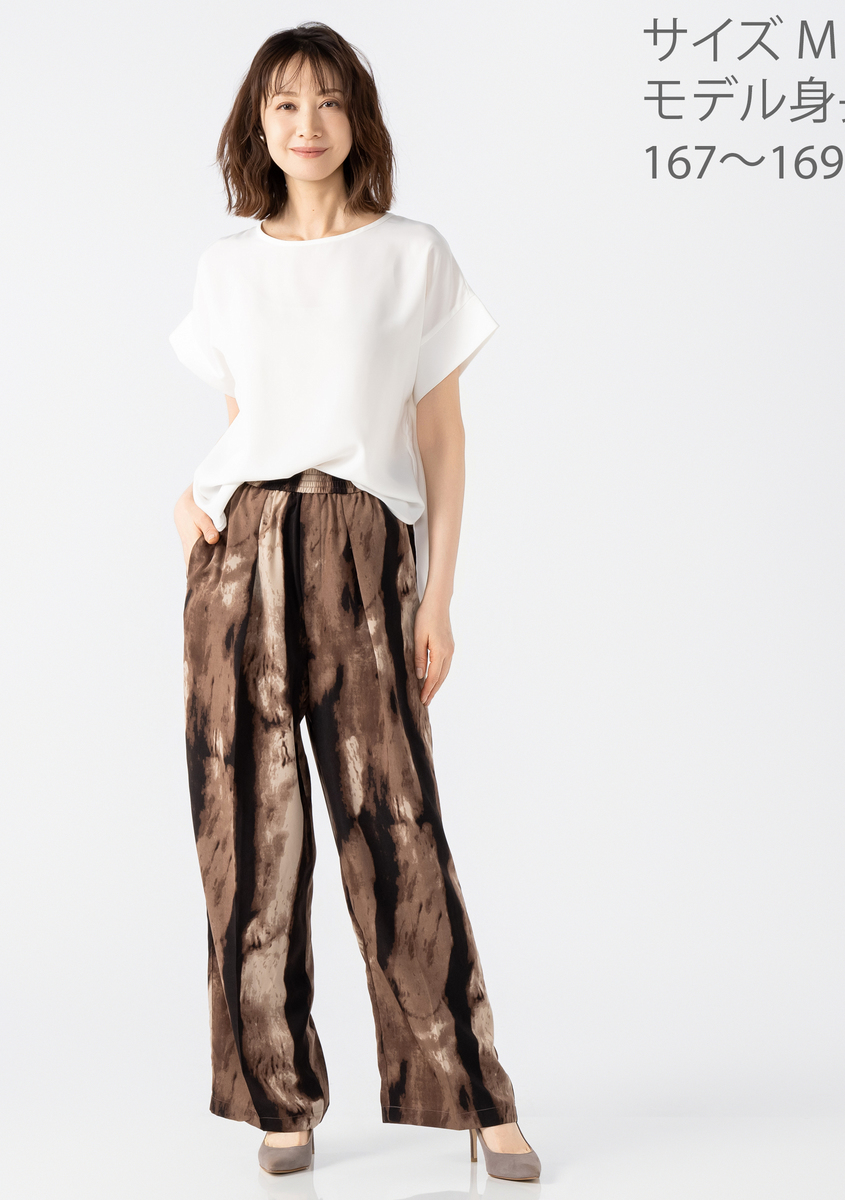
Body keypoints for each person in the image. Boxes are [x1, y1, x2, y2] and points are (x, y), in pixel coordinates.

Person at [169, 22, 540, 1183]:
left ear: (357, 119)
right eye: (284, 104)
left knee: (397, 826)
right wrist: (193, 496)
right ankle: (277, 1096)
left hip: (365, 547)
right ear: (258, 123)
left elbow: (442, 437)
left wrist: (438, 596)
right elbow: (248, 418)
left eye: (328, 102)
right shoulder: (226, 269)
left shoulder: (412, 255)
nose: (307, 124)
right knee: (247, 833)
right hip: (239, 554)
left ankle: (476, 1093)